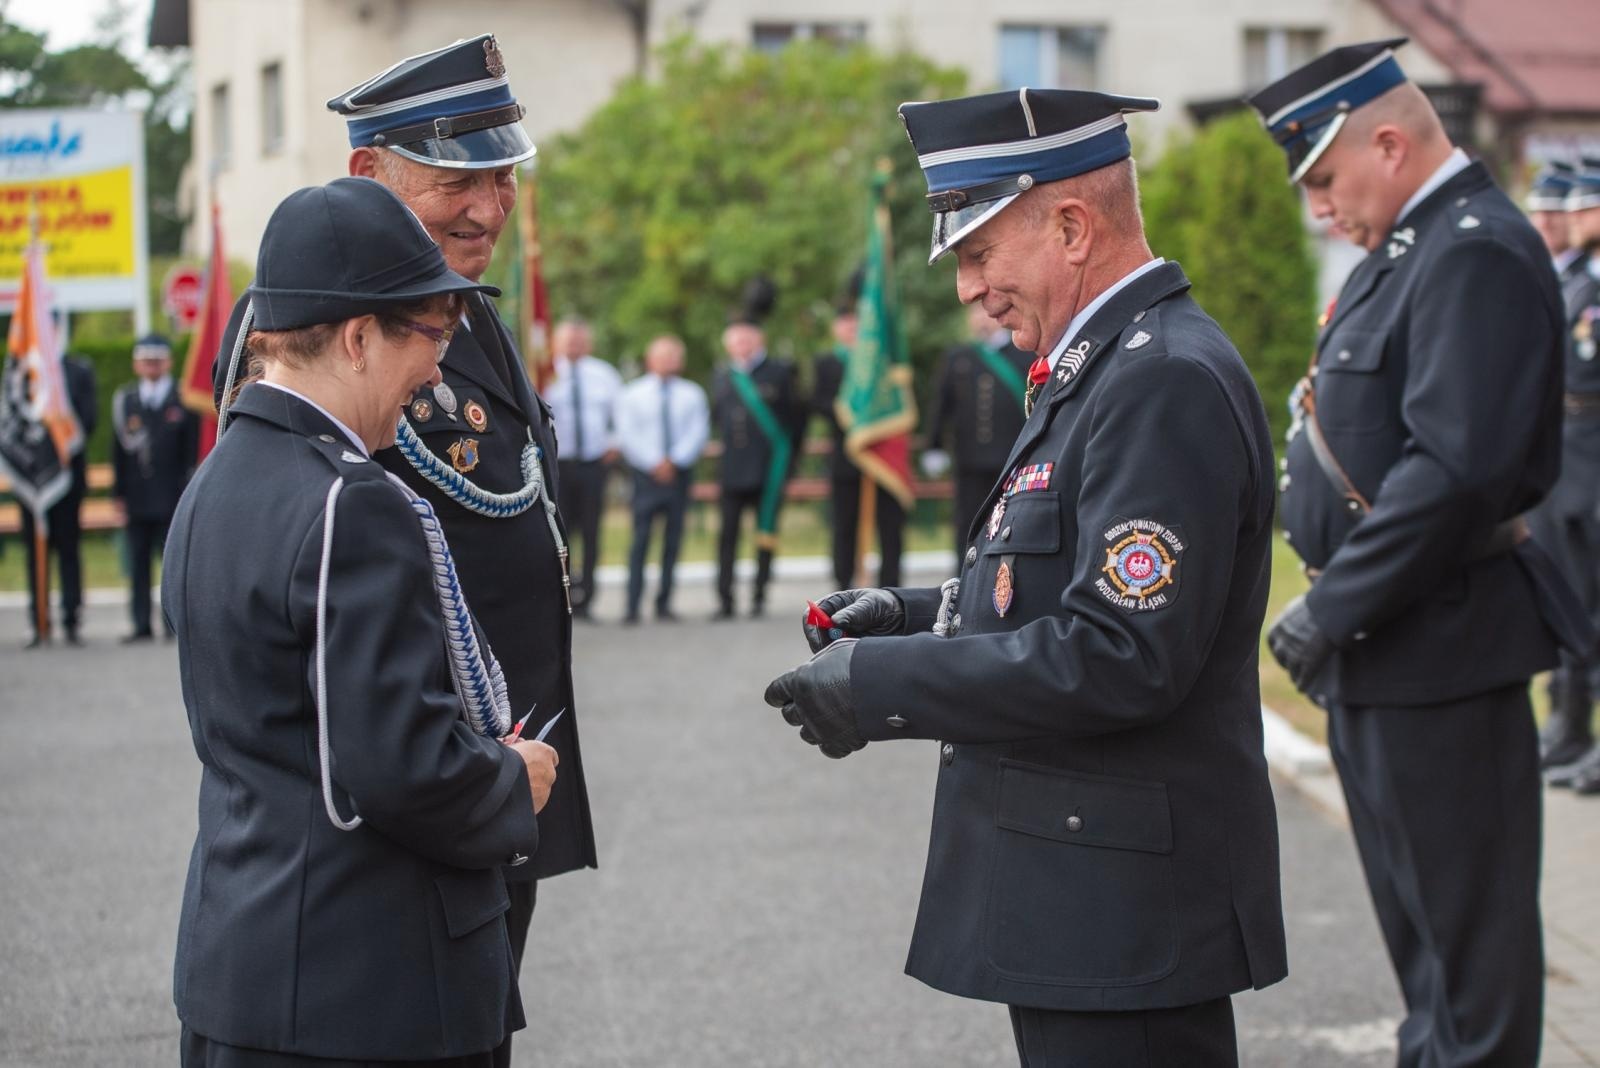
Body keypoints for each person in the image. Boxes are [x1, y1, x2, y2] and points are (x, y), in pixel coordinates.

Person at [764, 89, 1286, 1066]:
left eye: (975, 255)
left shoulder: (1159, 376)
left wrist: (883, 687)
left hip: (1125, 911)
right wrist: (910, 617)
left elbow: (1122, 653)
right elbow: (1043, 587)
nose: (967, 290)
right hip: (1088, 898)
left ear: (1073, 226)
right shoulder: (1101, 371)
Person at [210, 36, 596, 1067]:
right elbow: (282, 534)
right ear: (368, 173)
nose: (489, 206)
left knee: (477, 1004)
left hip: (497, 750)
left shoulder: (472, 310)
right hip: (405, 777)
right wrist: (471, 770)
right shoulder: (303, 318)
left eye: (502, 175)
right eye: (456, 179)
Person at [1250, 40, 1572, 1065]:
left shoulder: (1470, 246)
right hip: (1392, 654)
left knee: (1469, 974)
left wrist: (1331, 604)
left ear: (1388, 144)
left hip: (1441, 650)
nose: (1317, 209)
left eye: (1325, 179)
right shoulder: (1410, 249)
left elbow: (1454, 471)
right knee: (1425, 961)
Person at [1545, 161, 1600, 794]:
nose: (1571, 220)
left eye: (1587, 208)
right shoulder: (1578, 283)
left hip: (1590, 461)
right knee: (1573, 603)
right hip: (1570, 461)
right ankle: (1570, 726)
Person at [711, 280, 801, 619]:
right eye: (735, 338)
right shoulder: (721, 376)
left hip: (769, 470)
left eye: (747, 337)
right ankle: (725, 598)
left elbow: (795, 421)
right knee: (727, 538)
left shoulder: (780, 372)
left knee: (765, 535)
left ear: (759, 339)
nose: (741, 343)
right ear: (728, 343)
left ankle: (759, 594)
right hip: (732, 471)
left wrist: (790, 465)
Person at [811, 286, 905, 589]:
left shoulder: (881, 361)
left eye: (856, 321)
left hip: (881, 453)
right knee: (844, 526)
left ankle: (891, 584)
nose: (851, 327)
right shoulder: (827, 362)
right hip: (846, 455)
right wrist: (849, 412)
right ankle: (844, 585)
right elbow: (818, 401)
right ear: (836, 328)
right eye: (845, 322)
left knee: (889, 524)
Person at [922, 301, 1032, 555]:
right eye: (974, 312)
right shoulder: (958, 356)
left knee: (1010, 523)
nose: (980, 318)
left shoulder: (1024, 354)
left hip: (1011, 460)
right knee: (967, 524)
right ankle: (964, 581)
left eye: (985, 311)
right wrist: (934, 446)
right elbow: (941, 405)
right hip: (969, 459)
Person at [613, 334, 709, 623]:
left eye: (673, 355)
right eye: (662, 354)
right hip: (645, 476)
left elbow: (698, 432)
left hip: (679, 475)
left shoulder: (693, 394)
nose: (668, 360)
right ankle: (632, 605)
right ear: (650, 359)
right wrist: (654, 462)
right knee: (640, 540)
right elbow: (628, 435)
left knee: (673, 540)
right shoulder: (632, 394)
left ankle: (664, 602)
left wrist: (674, 461)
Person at [110, 334, 198, 643]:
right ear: (136, 364)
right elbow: (118, 453)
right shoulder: (127, 401)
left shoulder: (182, 399)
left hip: (172, 496)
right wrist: (118, 495)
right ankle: (140, 624)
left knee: (170, 565)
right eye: (145, 360)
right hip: (136, 497)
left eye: (157, 360)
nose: (151, 365)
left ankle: (170, 624)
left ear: (168, 362)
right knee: (137, 564)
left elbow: (190, 454)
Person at [546, 318, 623, 620]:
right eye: (568, 341)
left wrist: (614, 443)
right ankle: (562, 596)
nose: (573, 346)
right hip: (557, 464)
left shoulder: (604, 374)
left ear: (588, 344)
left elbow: (621, 414)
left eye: (579, 341)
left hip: (593, 463)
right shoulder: (544, 373)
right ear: (555, 343)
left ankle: (588, 597)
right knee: (560, 533)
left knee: (591, 532)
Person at [20, 352, 95, 647]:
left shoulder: (76, 370)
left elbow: (89, 418)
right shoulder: (22, 369)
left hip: (67, 475)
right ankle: (38, 620)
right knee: (34, 553)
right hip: (32, 475)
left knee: (68, 550)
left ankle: (71, 619)